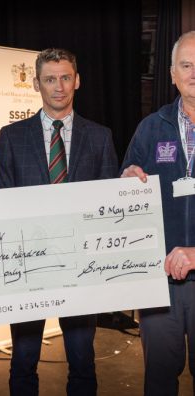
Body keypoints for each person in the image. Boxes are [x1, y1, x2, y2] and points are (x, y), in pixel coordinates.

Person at [0, 48, 118, 396]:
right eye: (49, 79)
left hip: (81, 270)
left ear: (77, 81)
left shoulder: (100, 136)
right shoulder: (11, 137)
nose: (58, 86)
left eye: (65, 77)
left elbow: (109, 208)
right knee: (23, 362)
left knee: (82, 362)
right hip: (29, 271)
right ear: (36, 83)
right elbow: (1, 207)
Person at [121, 31, 195, 396]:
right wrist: (125, 181)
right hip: (159, 285)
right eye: (186, 65)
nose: (194, 73)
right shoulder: (151, 128)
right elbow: (123, 194)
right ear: (171, 74)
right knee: (159, 383)